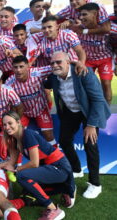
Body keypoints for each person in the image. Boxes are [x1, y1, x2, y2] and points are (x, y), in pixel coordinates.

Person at [46, 51, 111, 199]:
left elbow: (98, 100)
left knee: (90, 144)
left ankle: (95, 184)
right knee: (64, 140)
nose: (55, 65)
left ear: (68, 62)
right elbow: (41, 80)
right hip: (71, 111)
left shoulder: (83, 72)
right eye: (52, 63)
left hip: (89, 111)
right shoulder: (53, 77)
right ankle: (76, 169)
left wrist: (92, 124)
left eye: (59, 62)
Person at [0, 111, 76, 220]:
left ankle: (54, 209)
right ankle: (63, 188)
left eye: (10, 123)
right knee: (27, 190)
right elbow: (10, 163)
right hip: (48, 169)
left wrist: (17, 169)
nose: (7, 127)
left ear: (18, 122)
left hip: (59, 167)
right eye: (4, 124)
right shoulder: (13, 140)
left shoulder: (28, 134)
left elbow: (35, 163)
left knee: (22, 176)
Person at [5, 56, 57, 150]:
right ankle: (17, 162)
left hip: (40, 109)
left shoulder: (37, 73)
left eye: (21, 66)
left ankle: (56, 158)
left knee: (48, 135)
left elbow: (54, 66)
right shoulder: (9, 82)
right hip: (23, 112)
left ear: (28, 66)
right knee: (17, 136)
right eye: (15, 67)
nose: (18, 70)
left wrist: (76, 63)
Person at [78, 3, 114, 104]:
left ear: (94, 14)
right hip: (88, 60)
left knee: (106, 84)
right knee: (87, 85)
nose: (81, 17)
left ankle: (106, 111)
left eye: (84, 15)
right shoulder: (78, 28)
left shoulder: (107, 28)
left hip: (105, 59)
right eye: (80, 15)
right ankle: (90, 110)